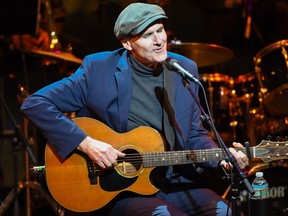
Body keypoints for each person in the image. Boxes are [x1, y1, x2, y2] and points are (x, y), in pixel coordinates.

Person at [20, 3, 249, 216]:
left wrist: (222, 160)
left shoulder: (183, 69)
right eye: (148, 35)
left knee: (225, 211)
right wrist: (87, 144)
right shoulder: (99, 69)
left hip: (172, 180)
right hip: (119, 186)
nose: (159, 40)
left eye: (160, 30)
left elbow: (194, 135)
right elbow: (35, 104)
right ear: (127, 43)